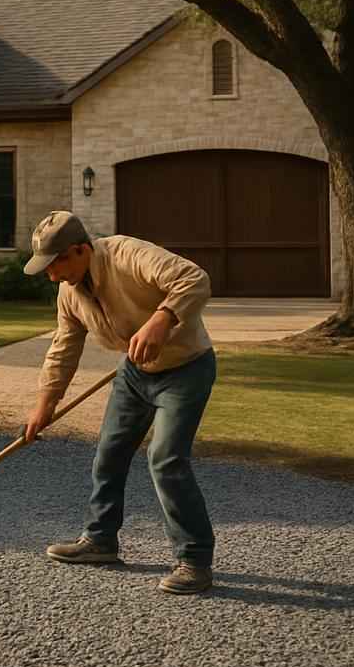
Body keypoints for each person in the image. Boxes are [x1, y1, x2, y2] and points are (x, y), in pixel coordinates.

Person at [21, 210, 217, 595]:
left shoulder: (128, 254)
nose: (52, 276)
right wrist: (45, 404)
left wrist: (161, 319)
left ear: (80, 250)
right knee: (109, 454)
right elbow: (63, 348)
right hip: (133, 373)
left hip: (186, 368)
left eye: (55, 264)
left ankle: (194, 560)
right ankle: (99, 541)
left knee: (166, 459)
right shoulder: (70, 293)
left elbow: (195, 278)